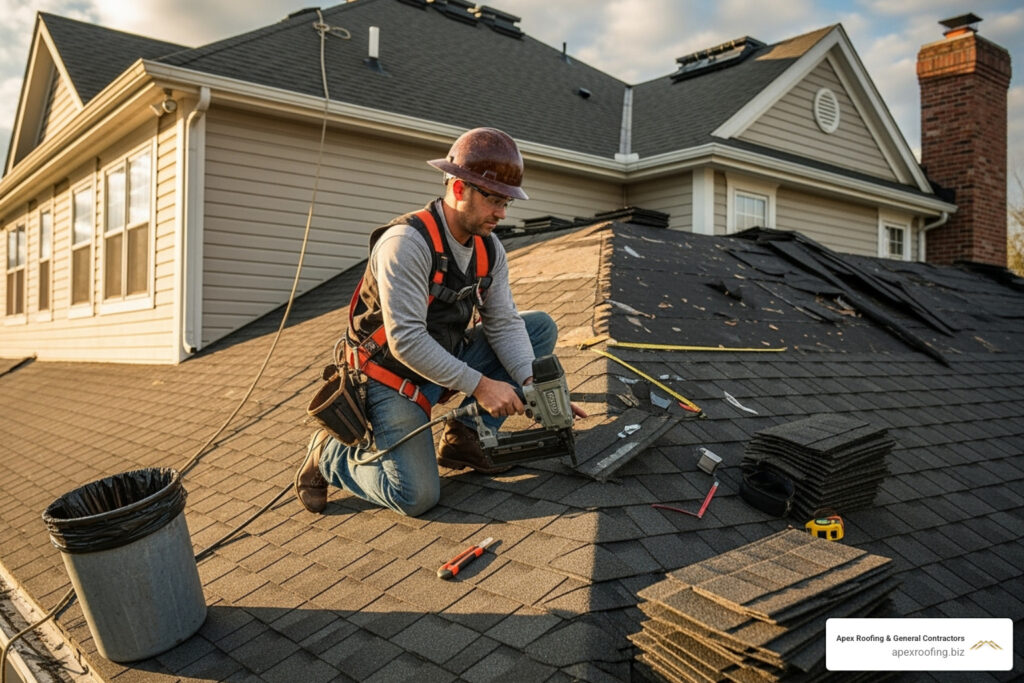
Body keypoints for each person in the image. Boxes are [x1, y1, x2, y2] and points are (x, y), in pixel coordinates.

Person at [295, 127, 585, 517]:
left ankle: (465, 439)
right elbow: (407, 341)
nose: (501, 213)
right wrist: (481, 386)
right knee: (415, 496)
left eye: (506, 203)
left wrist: (534, 385)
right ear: (460, 188)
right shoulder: (406, 244)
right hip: (391, 379)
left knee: (538, 329)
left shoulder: (489, 247)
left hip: (445, 360)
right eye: (494, 200)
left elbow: (503, 322)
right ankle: (328, 455)